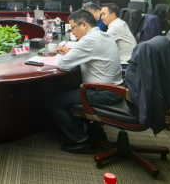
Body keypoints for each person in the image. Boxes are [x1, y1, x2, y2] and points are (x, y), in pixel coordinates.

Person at [46, 10, 123, 154]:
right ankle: (96, 132)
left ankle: (81, 141)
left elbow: (63, 65)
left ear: (84, 25)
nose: (72, 32)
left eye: (73, 27)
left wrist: (67, 55)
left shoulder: (89, 40)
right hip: (117, 90)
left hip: (103, 93)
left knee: (54, 102)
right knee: (72, 93)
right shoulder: (104, 35)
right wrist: (71, 53)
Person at [101, 3, 137, 68]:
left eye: (103, 14)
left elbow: (102, 45)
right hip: (130, 60)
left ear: (113, 15)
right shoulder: (119, 22)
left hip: (126, 64)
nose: (102, 17)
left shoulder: (115, 26)